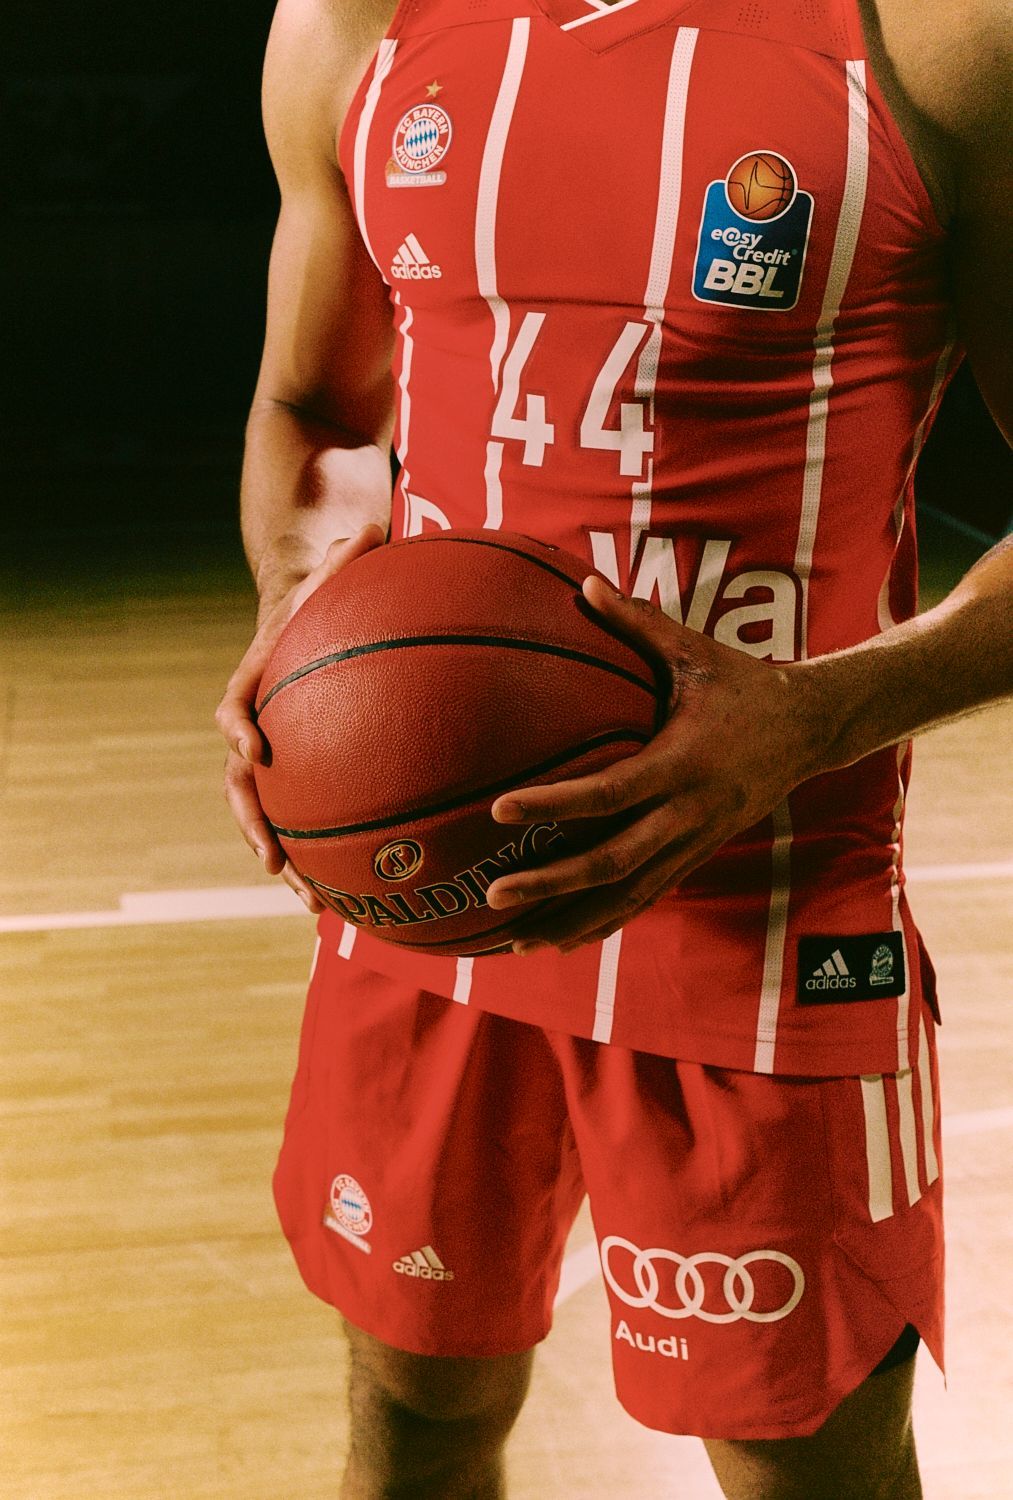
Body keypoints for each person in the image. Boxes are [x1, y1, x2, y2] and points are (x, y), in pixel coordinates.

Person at [216, 0, 1011, 1493]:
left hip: (771, 908)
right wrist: (299, 621)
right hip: (426, 889)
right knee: (414, 1419)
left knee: (804, 1475)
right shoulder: (355, 24)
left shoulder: (942, 40)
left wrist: (815, 716)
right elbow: (316, 410)